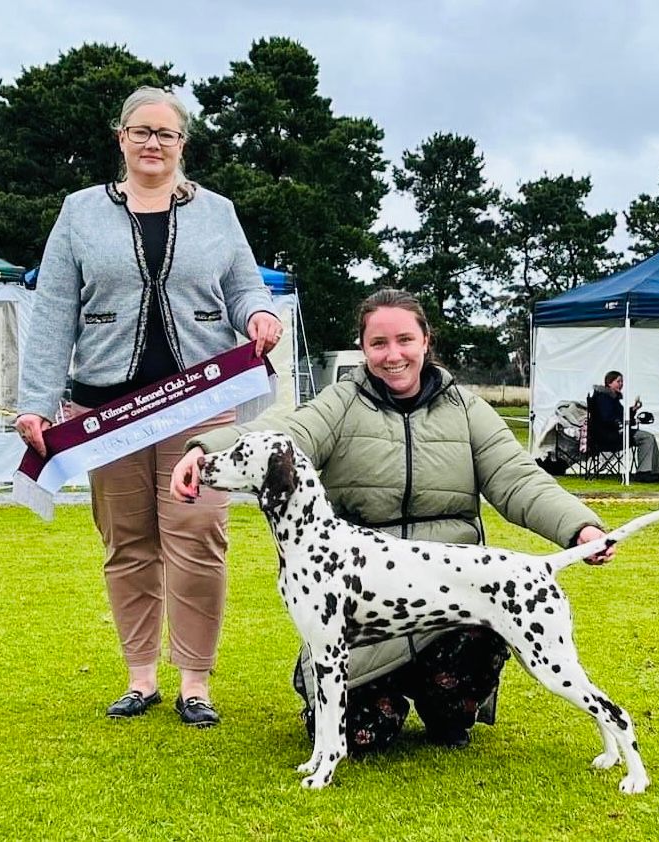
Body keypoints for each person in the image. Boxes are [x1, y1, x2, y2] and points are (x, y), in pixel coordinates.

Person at [171, 288, 615, 751]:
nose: (393, 355)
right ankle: (372, 698)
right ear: (363, 348)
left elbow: (518, 479)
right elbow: (283, 436)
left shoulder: (468, 411)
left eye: (405, 340)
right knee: (360, 735)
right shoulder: (339, 404)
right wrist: (205, 451)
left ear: (426, 341)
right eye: (378, 343)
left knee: (474, 651)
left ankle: (447, 708)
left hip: (450, 599)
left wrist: (579, 527)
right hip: (365, 600)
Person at [15, 86, 283, 727]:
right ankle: (141, 677)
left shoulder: (219, 212)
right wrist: (37, 402)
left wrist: (259, 313)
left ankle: (195, 682)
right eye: (141, 131)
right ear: (122, 138)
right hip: (105, 411)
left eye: (165, 133)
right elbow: (53, 312)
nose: (153, 143)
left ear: (182, 143)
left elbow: (244, 285)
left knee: (199, 536)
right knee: (128, 543)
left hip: (202, 403)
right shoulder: (78, 212)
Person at [591, 371, 659, 482]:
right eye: (618, 381)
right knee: (647, 437)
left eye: (622, 382)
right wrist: (624, 423)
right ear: (609, 383)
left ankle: (654, 472)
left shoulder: (611, 398)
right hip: (610, 436)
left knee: (650, 437)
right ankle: (644, 472)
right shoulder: (604, 398)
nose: (621, 384)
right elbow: (608, 418)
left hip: (616, 433)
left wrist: (633, 409)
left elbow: (619, 416)